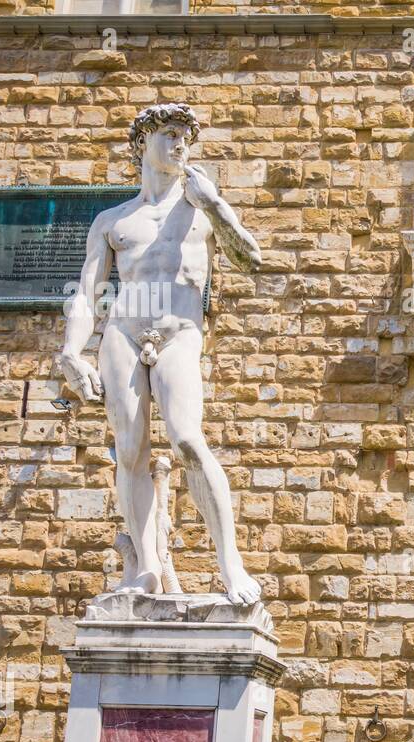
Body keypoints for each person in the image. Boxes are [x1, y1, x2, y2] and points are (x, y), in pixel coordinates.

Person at [56, 103, 263, 605]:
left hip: (179, 332)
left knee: (188, 441)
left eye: (185, 138)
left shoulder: (198, 208)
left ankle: (229, 564)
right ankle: (146, 569)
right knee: (130, 451)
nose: (179, 145)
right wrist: (70, 352)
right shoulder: (113, 220)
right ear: (142, 144)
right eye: (169, 134)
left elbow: (251, 258)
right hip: (121, 335)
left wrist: (214, 204)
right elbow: (87, 293)